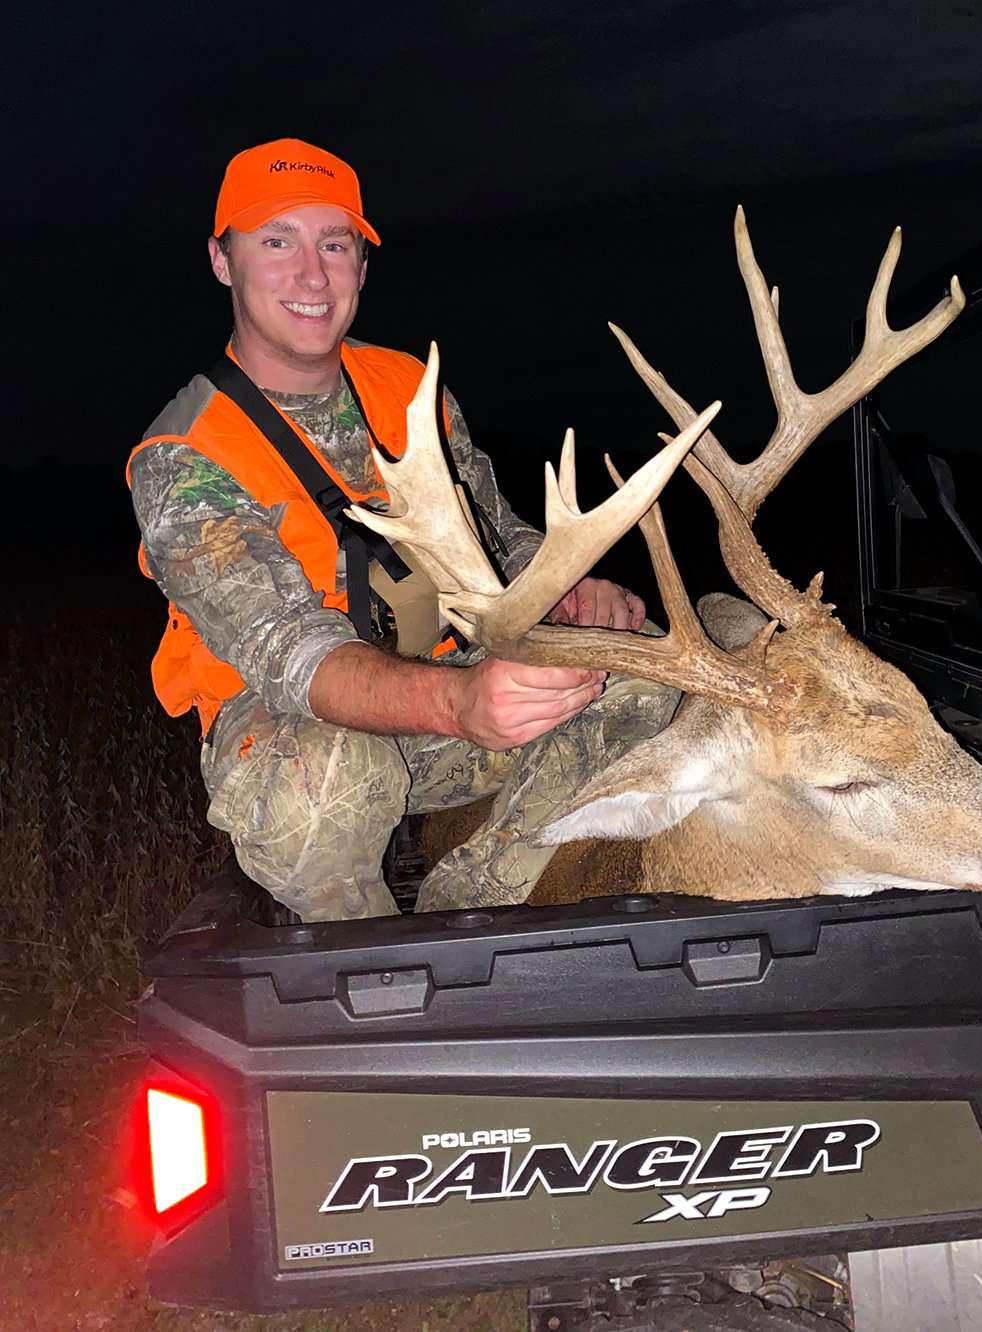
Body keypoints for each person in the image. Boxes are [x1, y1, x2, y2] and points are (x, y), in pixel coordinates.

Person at [128, 138, 679, 921]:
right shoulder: (185, 455)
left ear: (361, 265)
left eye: (336, 244)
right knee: (319, 789)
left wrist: (563, 593)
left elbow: (500, 538)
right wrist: (461, 704)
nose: (311, 275)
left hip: (459, 687)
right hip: (297, 726)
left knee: (646, 673)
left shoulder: (410, 388)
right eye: (276, 242)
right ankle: (370, 963)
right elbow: (294, 656)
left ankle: (476, 898)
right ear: (222, 262)